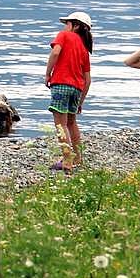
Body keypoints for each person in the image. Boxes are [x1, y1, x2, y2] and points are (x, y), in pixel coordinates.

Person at [44, 11, 93, 173]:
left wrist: (48, 73)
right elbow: (88, 79)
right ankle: (78, 158)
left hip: (61, 84)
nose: (65, 26)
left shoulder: (64, 35)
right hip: (77, 88)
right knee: (72, 123)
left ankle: (67, 160)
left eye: (67, 23)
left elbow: (55, 52)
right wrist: (81, 101)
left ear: (75, 25)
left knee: (60, 124)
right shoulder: (84, 49)